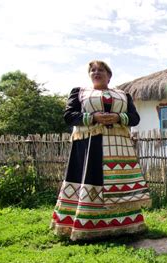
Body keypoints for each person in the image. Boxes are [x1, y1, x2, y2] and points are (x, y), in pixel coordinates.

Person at [51, 60, 150, 241]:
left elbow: (135, 118)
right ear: (89, 75)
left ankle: (126, 226)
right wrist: (93, 116)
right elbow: (69, 116)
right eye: (93, 70)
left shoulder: (123, 95)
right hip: (89, 145)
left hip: (118, 148)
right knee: (91, 179)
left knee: (118, 182)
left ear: (109, 75)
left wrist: (118, 117)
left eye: (101, 70)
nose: (96, 72)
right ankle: (86, 226)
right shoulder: (79, 93)